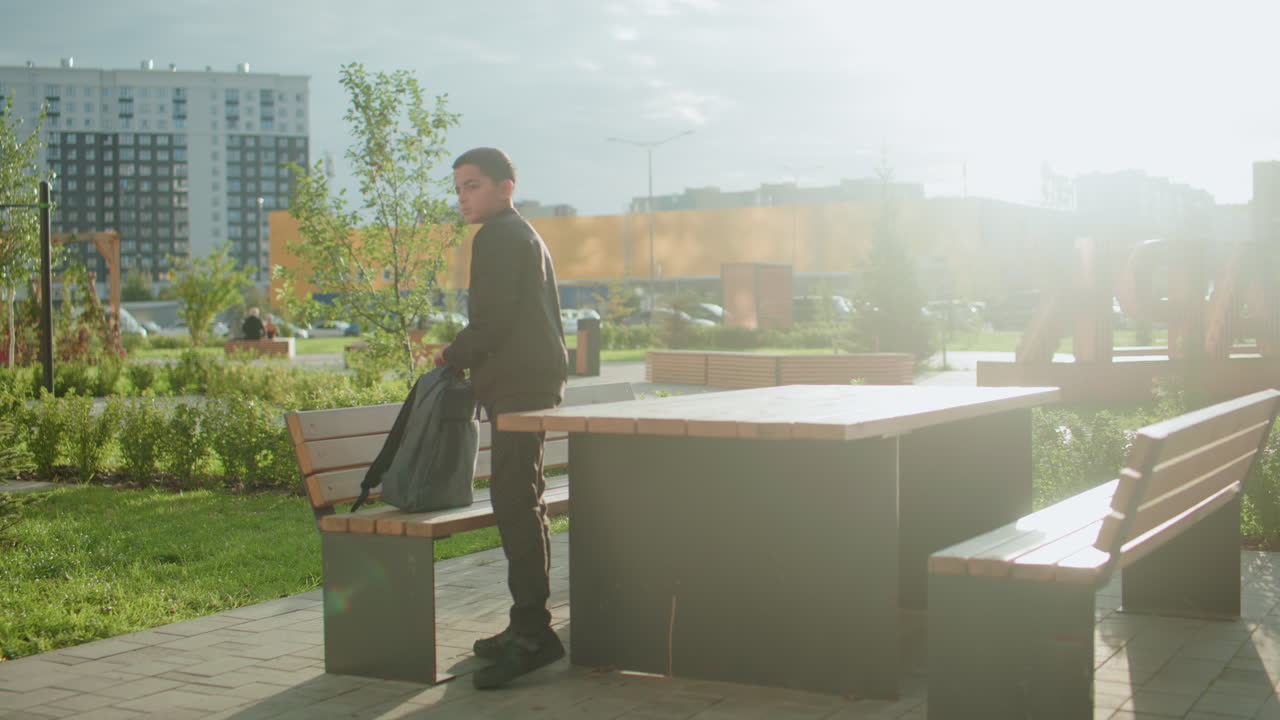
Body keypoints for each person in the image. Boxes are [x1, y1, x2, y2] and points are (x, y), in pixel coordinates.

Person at [433, 148, 568, 690]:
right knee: (522, 498)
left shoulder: (498, 236)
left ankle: (533, 634)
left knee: (515, 501)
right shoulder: (522, 234)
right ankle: (528, 626)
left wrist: (451, 354)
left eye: (473, 186)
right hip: (530, 382)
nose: (463, 197)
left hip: (518, 386)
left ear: (505, 187)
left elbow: (493, 320)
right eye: (460, 188)